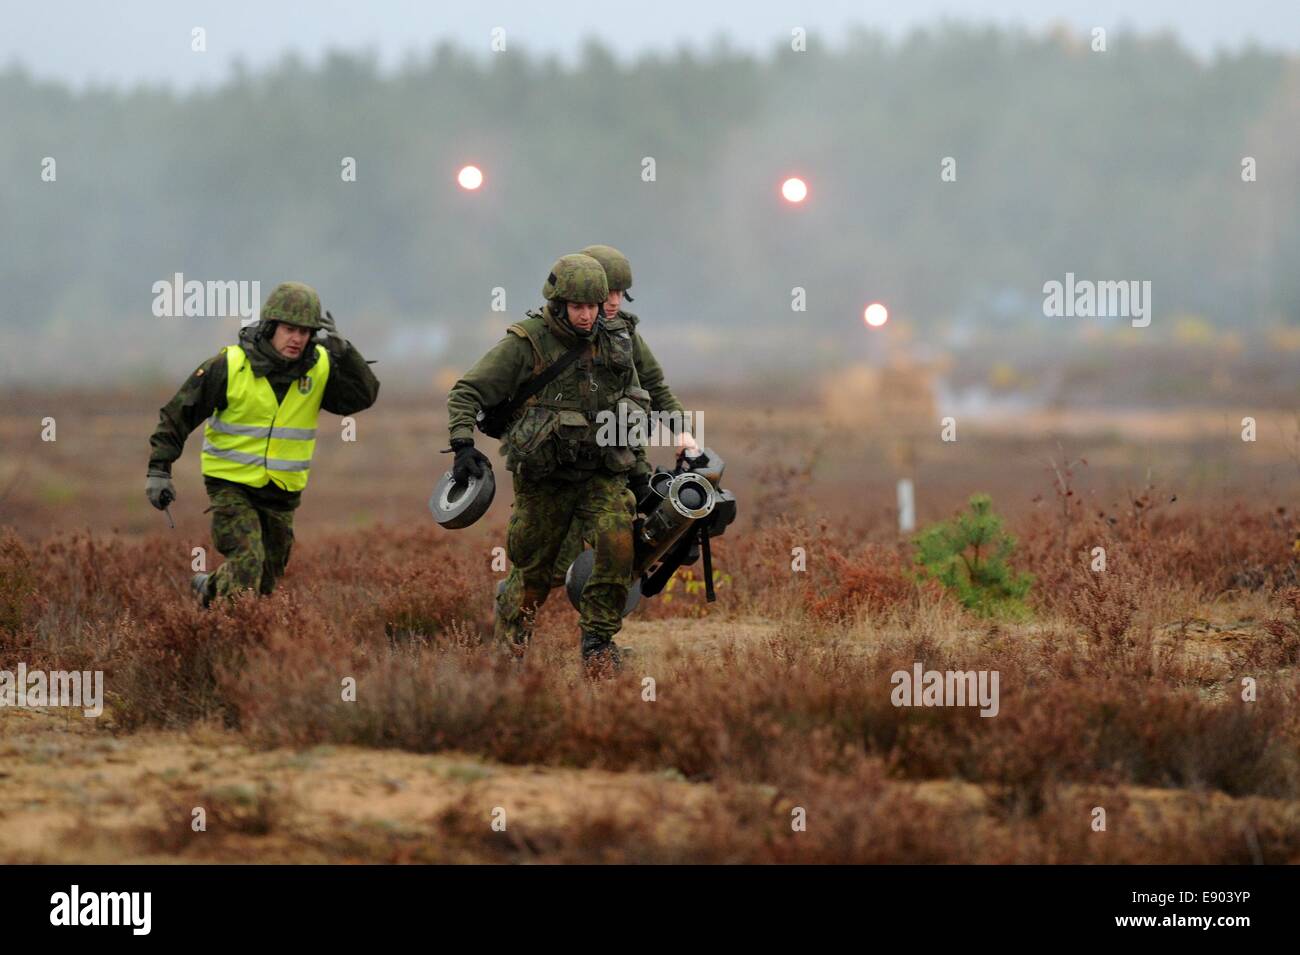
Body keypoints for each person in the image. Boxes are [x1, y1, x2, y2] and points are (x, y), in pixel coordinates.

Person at [445, 253, 648, 671]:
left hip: (601, 475)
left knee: (617, 545)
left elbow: (633, 402)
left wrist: (640, 470)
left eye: (594, 306)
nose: (588, 315)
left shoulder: (616, 341)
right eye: (578, 306)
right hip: (545, 480)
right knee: (534, 573)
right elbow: (466, 391)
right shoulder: (527, 343)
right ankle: (510, 653)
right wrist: (463, 444)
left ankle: (597, 647)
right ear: (558, 304)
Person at [145, 281, 380, 603]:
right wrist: (159, 469)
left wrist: (347, 355)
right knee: (247, 563)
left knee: (266, 578)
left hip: (282, 492)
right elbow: (177, 414)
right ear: (271, 326)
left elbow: (362, 397)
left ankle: (210, 587)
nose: (297, 338)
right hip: (231, 485)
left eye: (305, 331)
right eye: (289, 328)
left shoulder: (321, 366)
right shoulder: (229, 365)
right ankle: (226, 640)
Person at [548, 244, 697, 588]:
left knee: (623, 549)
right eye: (608, 291)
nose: (614, 300)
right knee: (552, 568)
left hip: (620, 457)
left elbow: (656, 386)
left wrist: (682, 432)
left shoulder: (626, 335)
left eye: (620, 292)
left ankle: (599, 633)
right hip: (566, 464)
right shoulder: (553, 336)